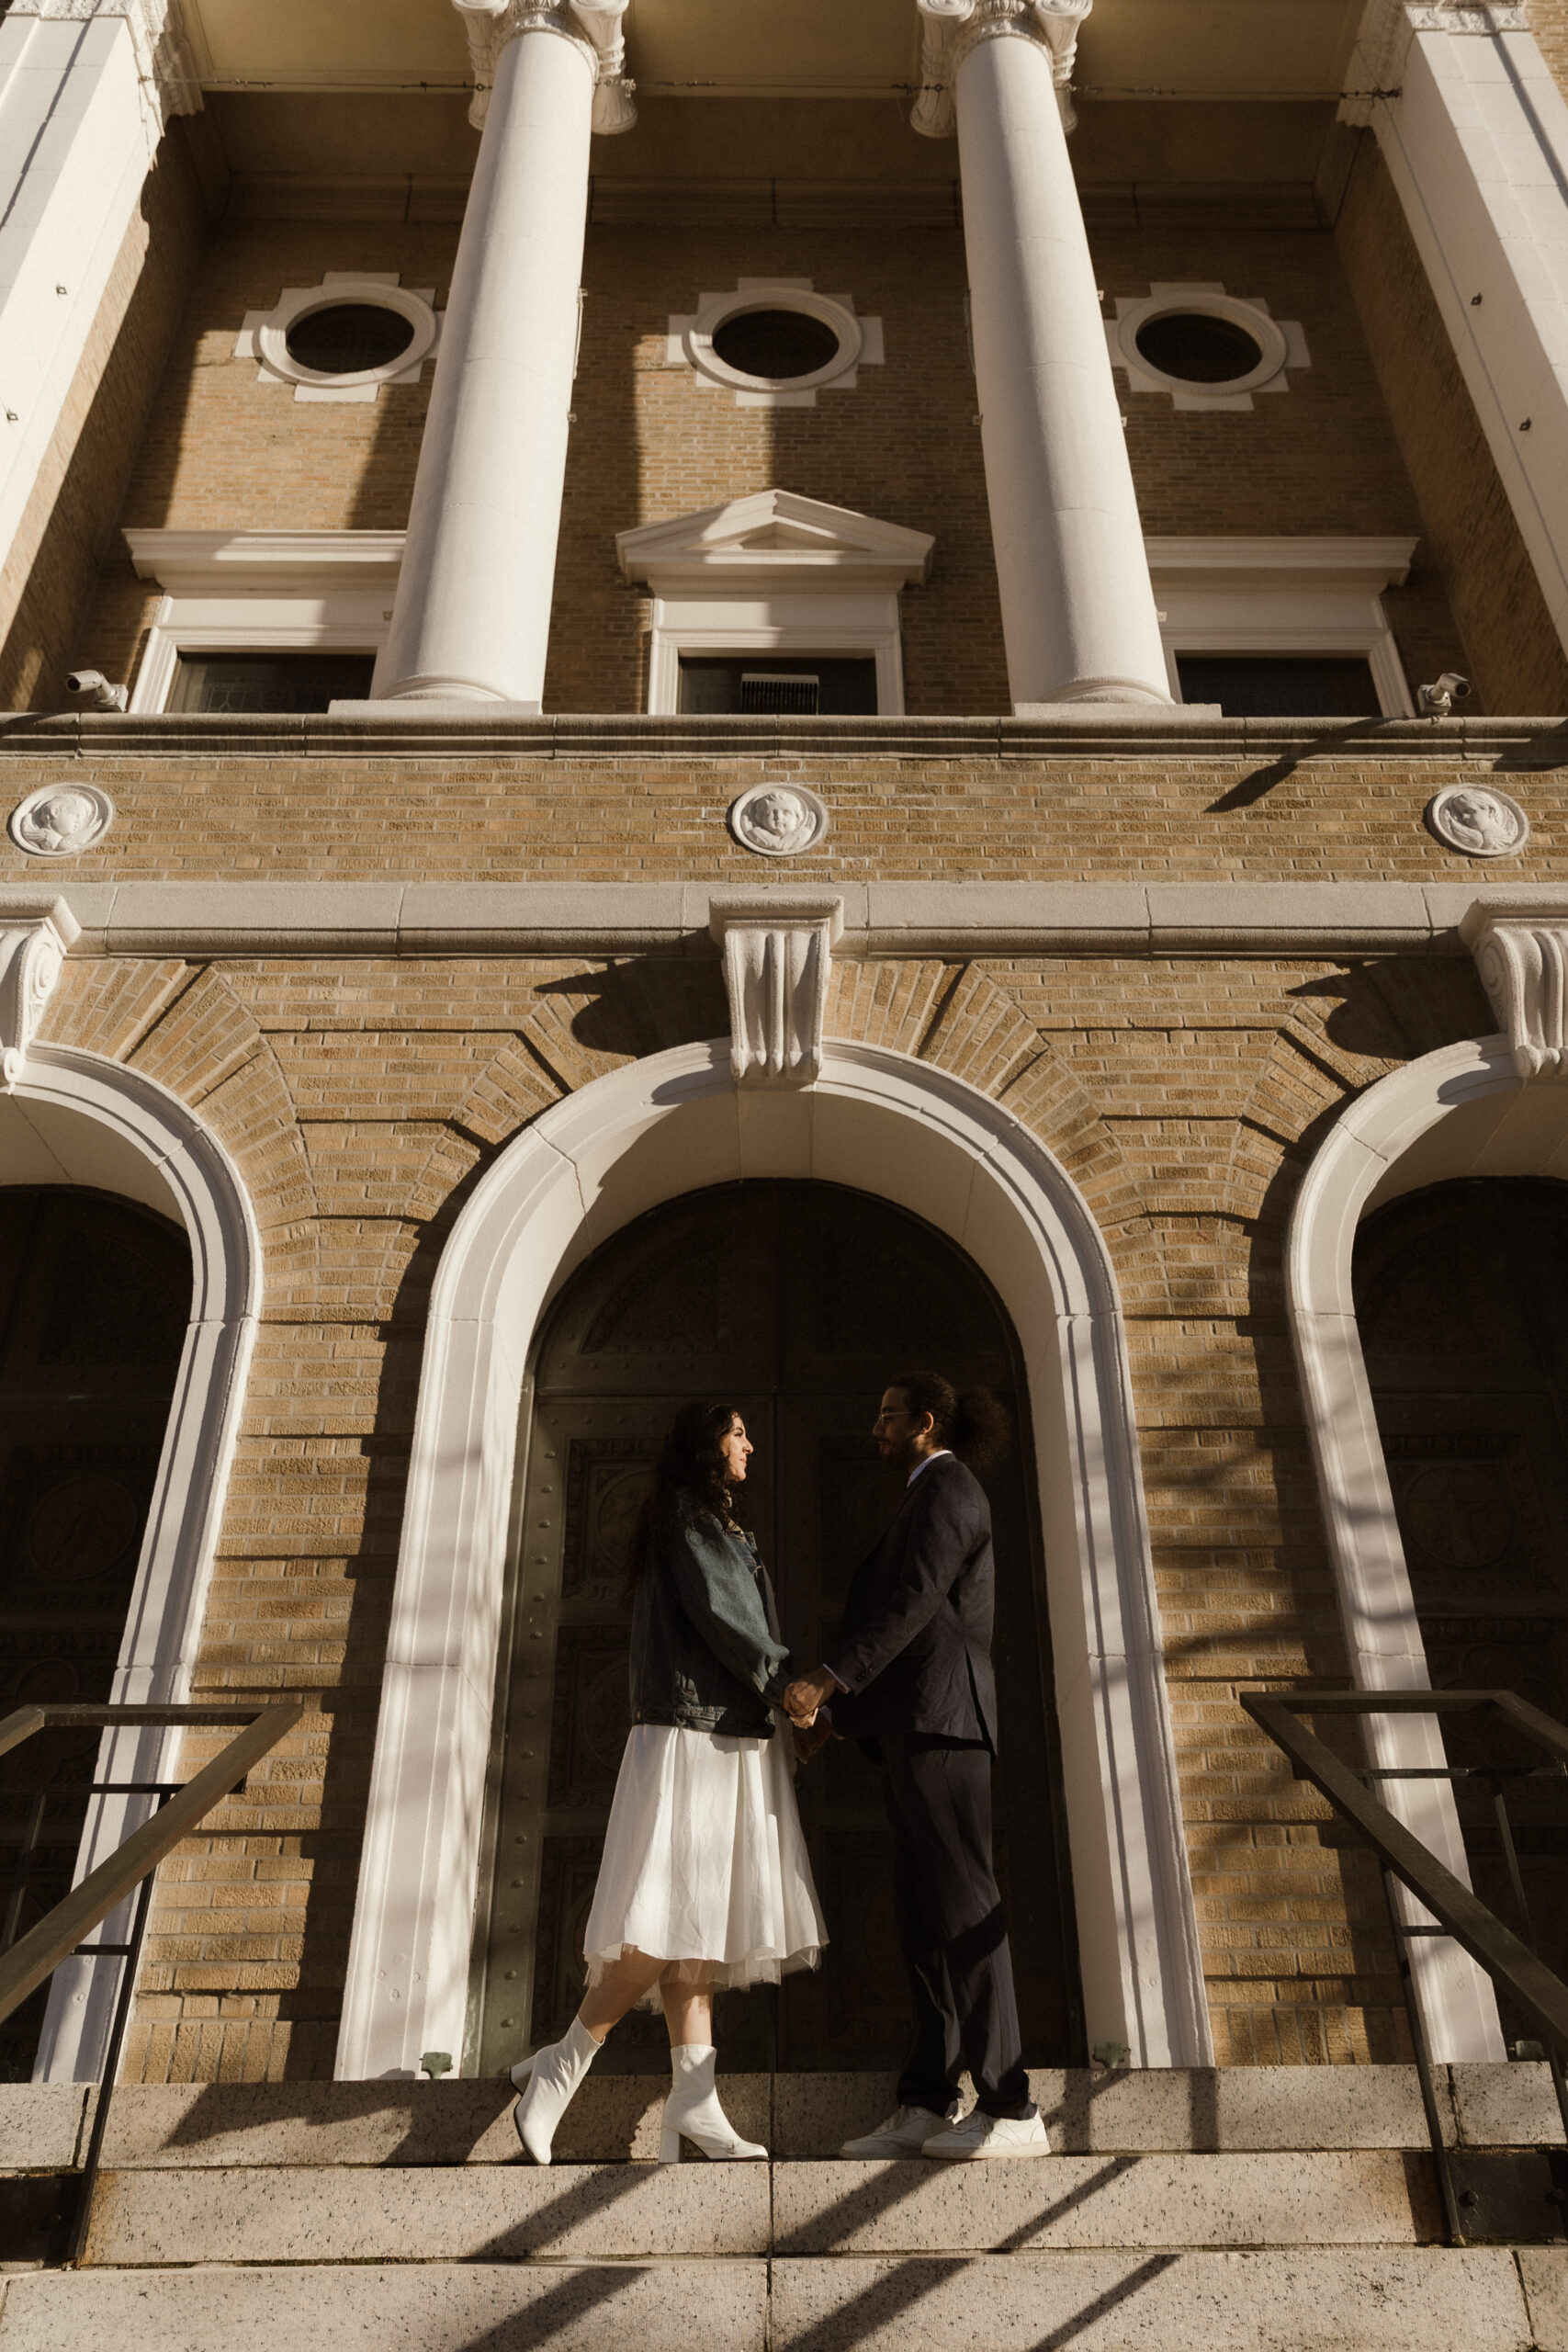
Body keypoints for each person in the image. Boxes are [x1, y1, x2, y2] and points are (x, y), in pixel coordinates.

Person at [511, 1400, 826, 2164]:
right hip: (695, 1734)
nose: (749, 1444)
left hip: (721, 1732)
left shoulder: (711, 1524)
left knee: (696, 1924)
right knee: (662, 1919)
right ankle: (562, 2063)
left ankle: (694, 2099)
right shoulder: (693, 1523)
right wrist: (788, 1687)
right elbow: (727, 1618)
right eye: (738, 1432)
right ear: (706, 1445)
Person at [784, 1370, 1050, 2162]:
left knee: (966, 1911)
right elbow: (910, 1627)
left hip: (944, 1727)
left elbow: (916, 1603)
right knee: (922, 1923)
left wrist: (830, 1680)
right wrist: (836, 1719)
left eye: (887, 1415)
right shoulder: (921, 1492)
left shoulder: (950, 1488)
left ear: (924, 1423)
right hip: (911, 1726)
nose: (875, 1428)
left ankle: (1011, 2106)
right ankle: (930, 2100)